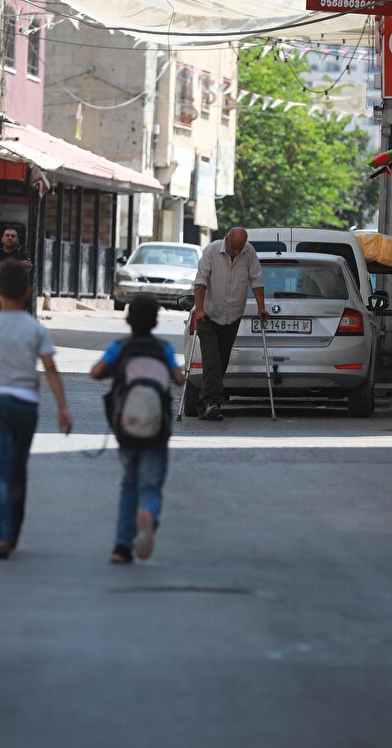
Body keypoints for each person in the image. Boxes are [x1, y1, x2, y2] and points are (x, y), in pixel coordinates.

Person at [0, 259, 73, 560]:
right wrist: (63, 408)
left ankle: (2, 535)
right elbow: (51, 369)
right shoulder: (35, 329)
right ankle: (13, 531)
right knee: (18, 470)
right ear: (28, 292)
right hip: (27, 406)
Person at [90, 293, 185, 564]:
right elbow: (179, 380)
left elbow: (95, 372)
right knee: (151, 485)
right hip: (156, 428)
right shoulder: (164, 349)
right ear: (156, 322)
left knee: (129, 483)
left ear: (127, 319)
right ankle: (149, 516)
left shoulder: (120, 348)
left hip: (127, 427)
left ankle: (122, 546)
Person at [190, 227, 268, 421]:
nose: (236, 252)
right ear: (227, 239)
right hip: (207, 315)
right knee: (212, 360)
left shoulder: (248, 252)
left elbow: (256, 281)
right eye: (234, 247)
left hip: (232, 315)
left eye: (239, 248)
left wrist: (261, 307)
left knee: (221, 361)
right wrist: (199, 309)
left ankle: (205, 404)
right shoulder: (211, 251)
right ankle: (212, 403)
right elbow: (200, 282)